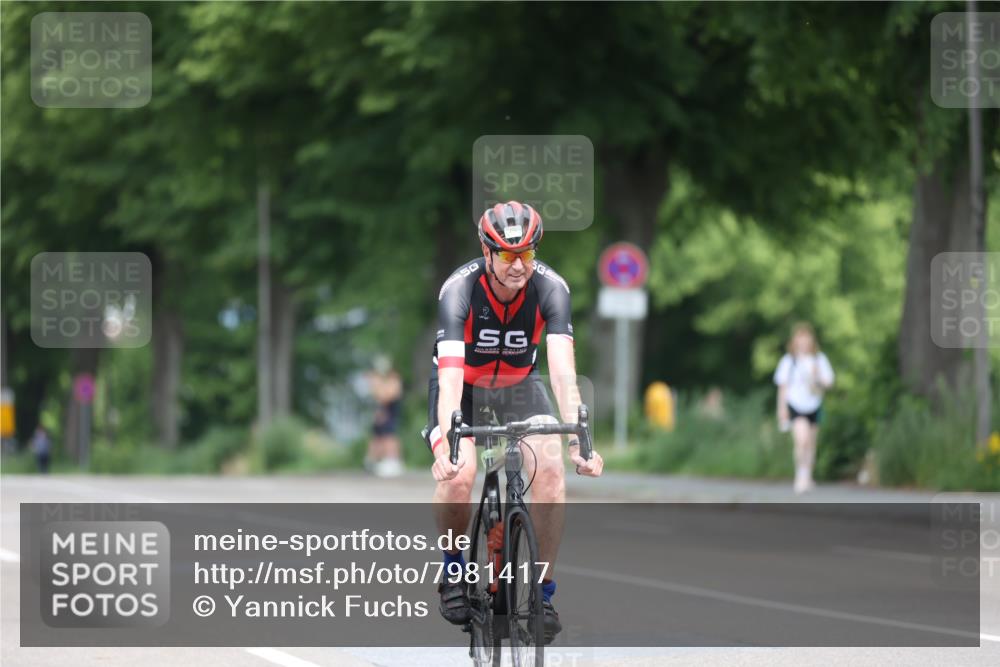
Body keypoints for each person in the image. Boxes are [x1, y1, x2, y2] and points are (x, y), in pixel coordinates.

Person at [426, 201, 604, 642]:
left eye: (527, 253)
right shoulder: (459, 290)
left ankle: (543, 592)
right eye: (507, 255)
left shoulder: (552, 289)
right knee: (459, 474)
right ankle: (454, 569)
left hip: (520, 386)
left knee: (550, 474)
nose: (518, 265)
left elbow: (563, 372)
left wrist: (580, 438)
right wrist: (446, 442)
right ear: (487, 253)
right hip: (463, 388)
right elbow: (449, 376)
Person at [773, 323, 835, 494]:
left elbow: (829, 383)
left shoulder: (819, 359)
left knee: (811, 443)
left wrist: (818, 376)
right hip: (795, 405)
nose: (803, 342)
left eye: (806, 338)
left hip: (814, 404)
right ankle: (800, 475)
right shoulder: (789, 360)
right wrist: (781, 409)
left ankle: (807, 475)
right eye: (800, 338)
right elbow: (783, 387)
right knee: (801, 440)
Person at [366, 355, 404, 478]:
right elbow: (376, 396)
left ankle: (393, 461)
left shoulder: (393, 379)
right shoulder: (378, 379)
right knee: (378, 436)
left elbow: (388, 396)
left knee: (389, 436)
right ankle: (374, 461)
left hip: (390, 411)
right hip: (380, 412)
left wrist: (377, 385)